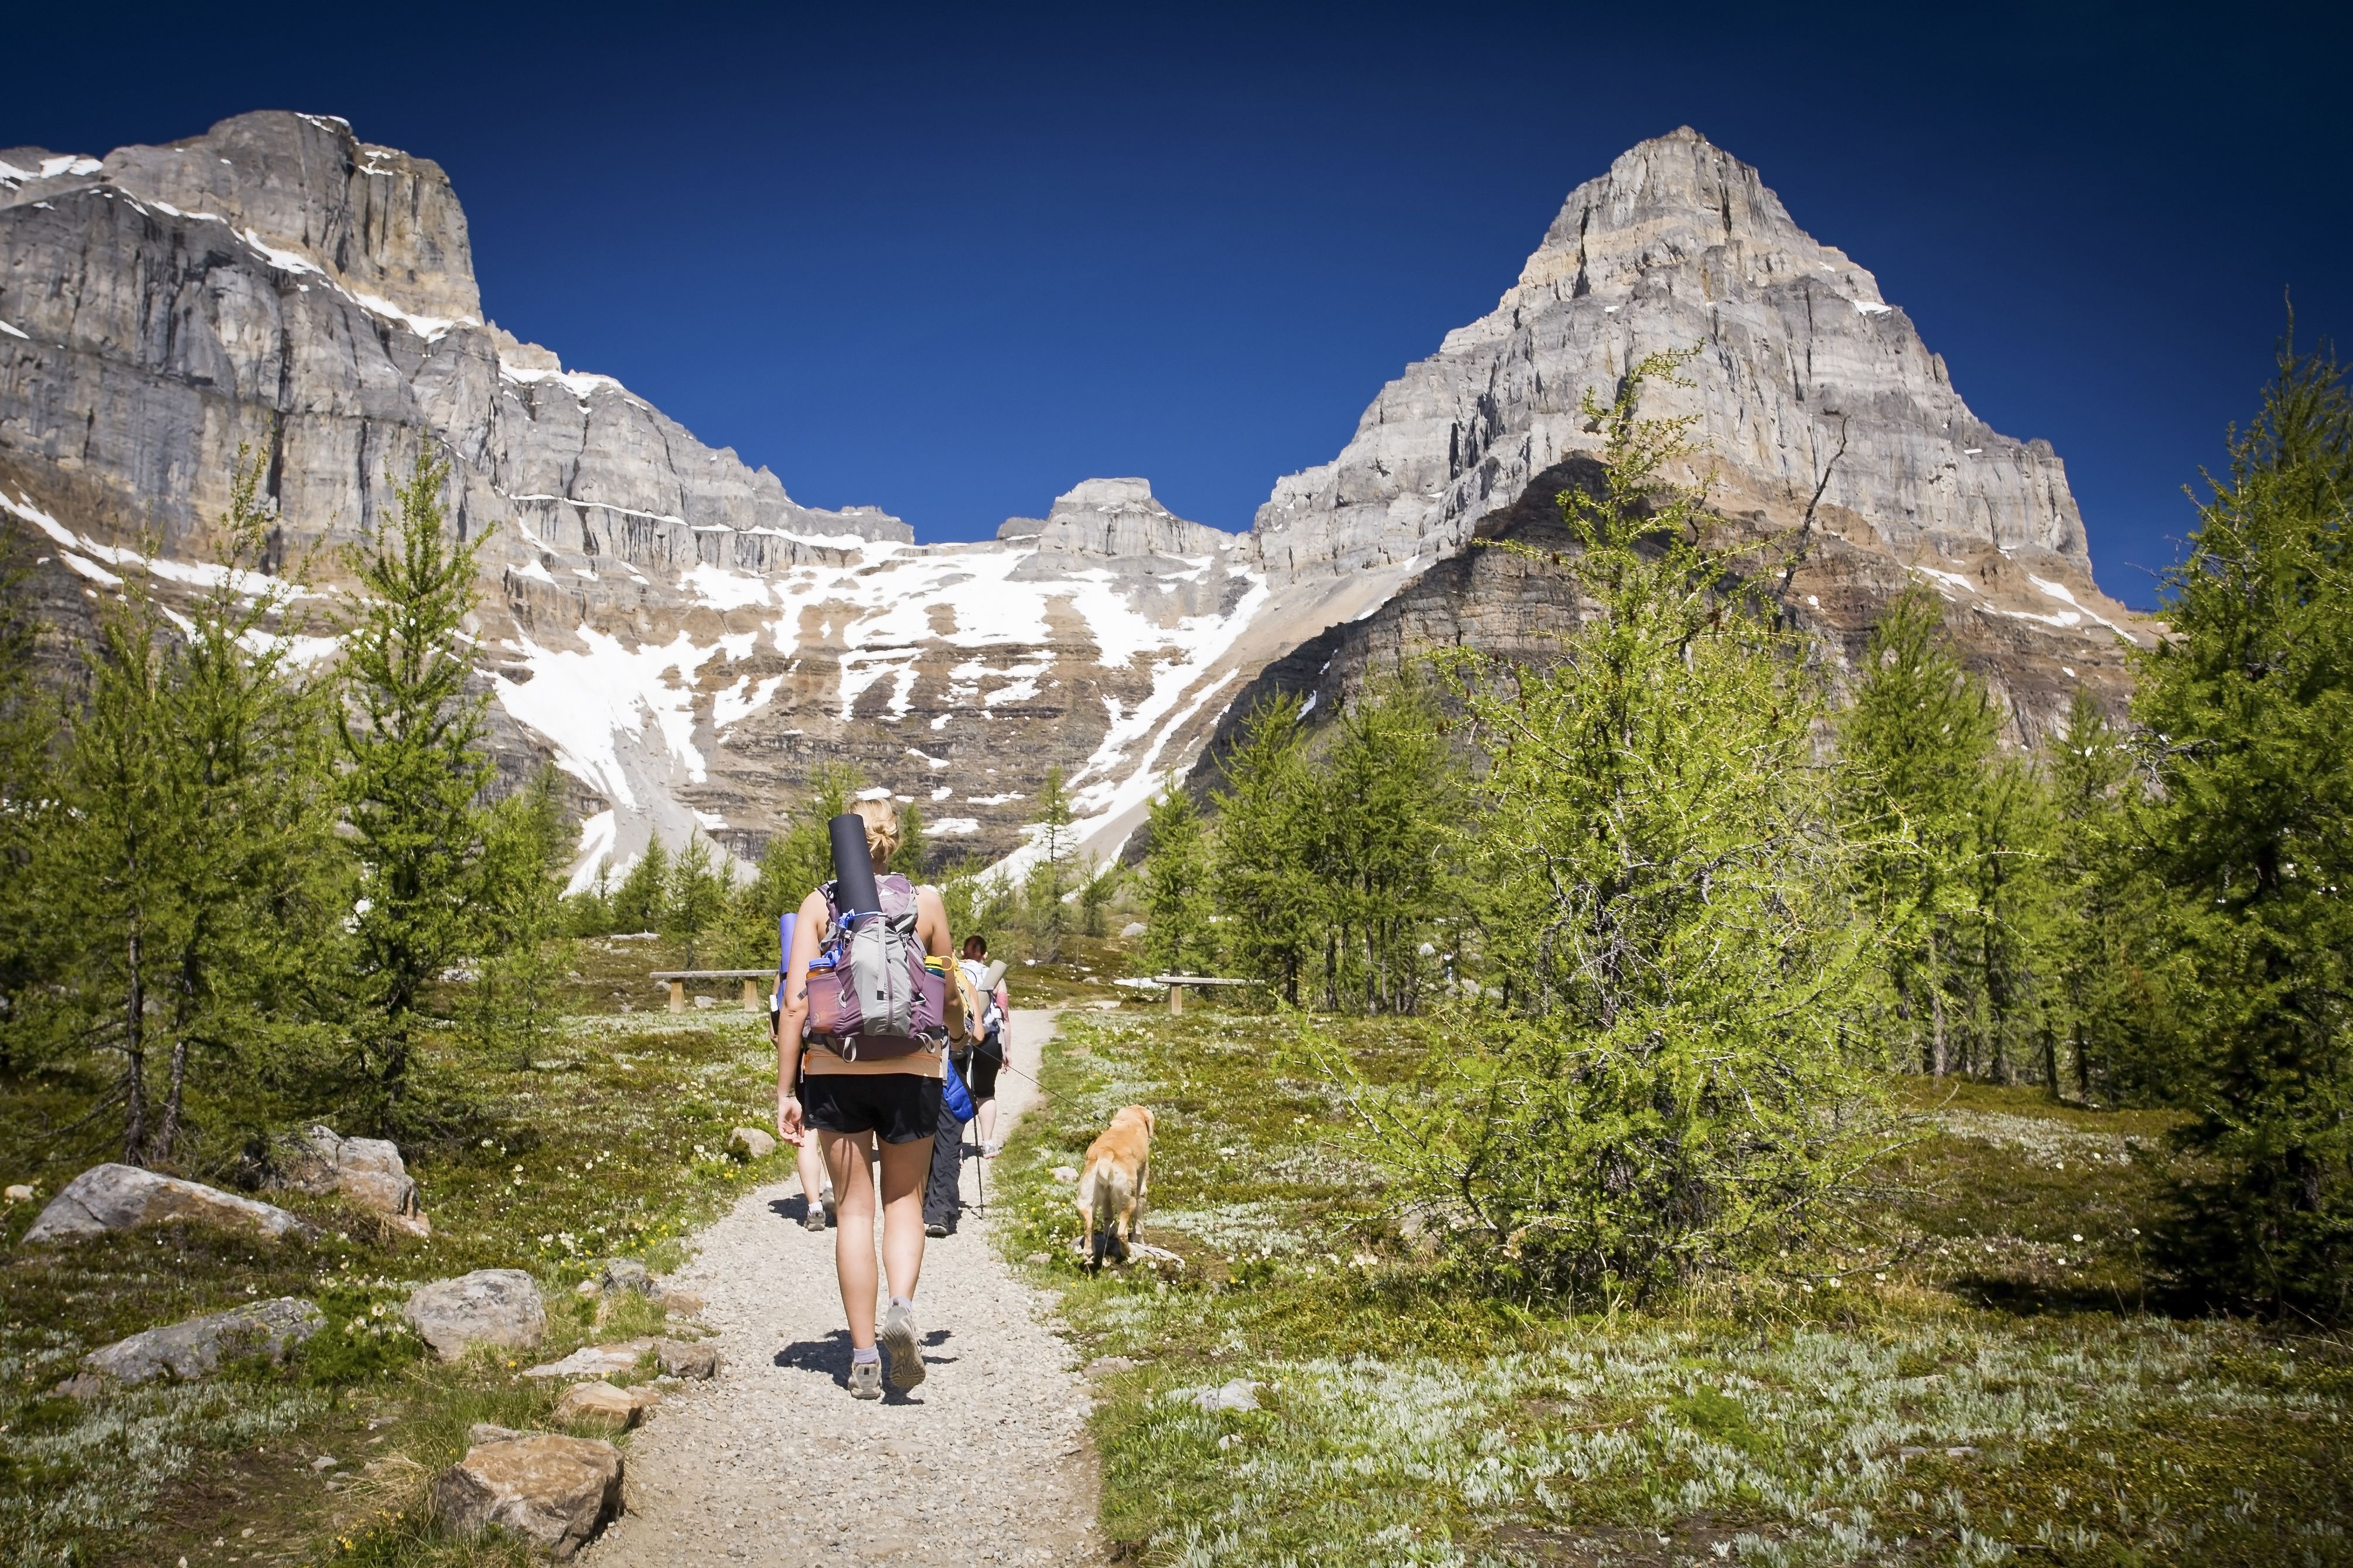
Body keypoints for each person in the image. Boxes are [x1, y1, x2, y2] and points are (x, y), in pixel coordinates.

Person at [775, 799, 953, 1399]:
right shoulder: (925, 903)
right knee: (903, 1203)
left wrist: (786, 1090)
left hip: (836, 1069)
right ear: (894, 843)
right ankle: (901, 1308)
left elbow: (796, 1004)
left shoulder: (819, 906)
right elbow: (945, 988)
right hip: (912, 1071)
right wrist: (963, 1032)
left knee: (853, 1210)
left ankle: (862, 1359)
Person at [959, 935, 1011, 1158]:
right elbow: (1005, 1017)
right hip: (989, 1037)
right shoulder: (995, 976)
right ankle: (988, 1144)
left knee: (956, 1090)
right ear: (985, 955)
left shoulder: (956, 970)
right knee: (986, 1092)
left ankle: (954, 1146)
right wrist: (1007, 1051)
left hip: (959, 1036)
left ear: (962, 953)